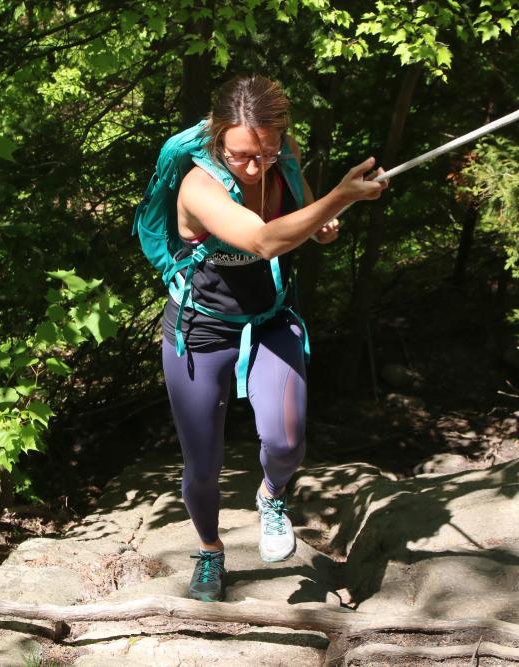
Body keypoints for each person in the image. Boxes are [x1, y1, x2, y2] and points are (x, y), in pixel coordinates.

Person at [160, 75, 387, 602]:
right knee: (202, 465)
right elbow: (263, 240)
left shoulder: (283, 152)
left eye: (265, 151)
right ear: (218, 137)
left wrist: (323, 221)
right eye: (241, 155)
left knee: (286, 441)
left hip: (270, 317)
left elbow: (300, 215)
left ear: (280, 137)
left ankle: (271, 496)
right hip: (200, 329)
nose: (255, 166)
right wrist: (336, 199)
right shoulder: (199, 186)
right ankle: (211, 552)